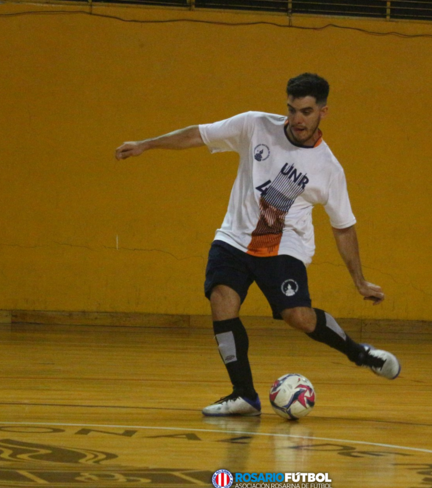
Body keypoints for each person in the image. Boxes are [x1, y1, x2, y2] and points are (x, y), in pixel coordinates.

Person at [115, 73, 400, 417]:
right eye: (292, 110)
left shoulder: (328, 168)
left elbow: (343, 228)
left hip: (283, 246)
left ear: (323, 112)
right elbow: (198, 134)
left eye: (307, 112)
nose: (297, 119)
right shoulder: (254, 126)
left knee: (298, 317)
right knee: (221, 300)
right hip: (233, 238)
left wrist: (359, 280)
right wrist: (147, 144)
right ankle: (244, 395)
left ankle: (359, 354)